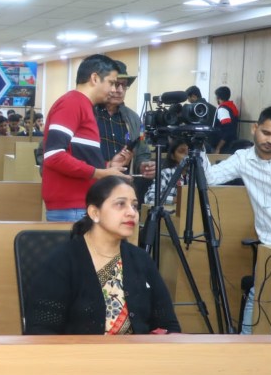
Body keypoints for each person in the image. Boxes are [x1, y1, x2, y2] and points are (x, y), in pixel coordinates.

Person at [26, 176, 180, 335]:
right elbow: (40, 331)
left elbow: (168, 324)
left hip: (136, 350)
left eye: (134, 206)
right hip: (79, 350)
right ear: (94, 212)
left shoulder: (141, 260)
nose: (132, 213)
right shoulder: (62, 262)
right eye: (120, 204)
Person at [203, 106, 271, 334]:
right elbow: (210, 177)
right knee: (258, 294)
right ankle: (245, 343)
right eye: (266, 133)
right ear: (255, 128)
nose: (270, 141)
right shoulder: (243, 159)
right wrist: (199, 147)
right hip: (268, 246)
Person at [42, 54, 132, 222]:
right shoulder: (72, 103)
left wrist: (108, 166)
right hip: (72, 207)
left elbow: (77, 156)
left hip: (80, 204)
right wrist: (99, 173)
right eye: (111, 83)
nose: (114, 90)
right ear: (95, 78)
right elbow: (54, 156)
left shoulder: (85, 106)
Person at [94, 60, 153, 175]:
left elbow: (142, 149)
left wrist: (143, 166)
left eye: (124, 85)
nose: (120, 91)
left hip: (122, 181)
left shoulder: (135, 119)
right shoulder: (89, 113)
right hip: (93, 180)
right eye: (116, 84)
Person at [144, 139, 189, 206]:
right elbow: (149, 198)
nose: (186, 155)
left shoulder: (195, 175)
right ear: (172, 156)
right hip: (170, 212)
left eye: (189, 151)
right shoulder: (166, 173)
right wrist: (176, 199)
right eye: (181, 151)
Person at [213, 86, 240, 153]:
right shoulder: (231, 106)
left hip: (224, 146)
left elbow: (227, 130)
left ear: (218, 97)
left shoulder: (223, 109)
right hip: (231, 142)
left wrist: (218, 148)